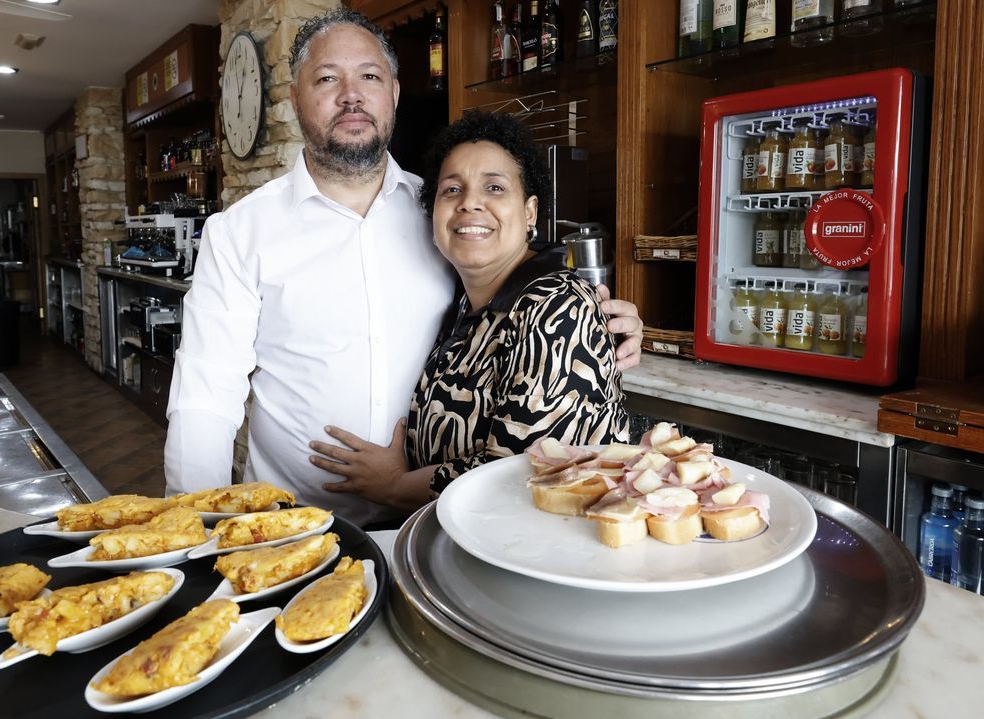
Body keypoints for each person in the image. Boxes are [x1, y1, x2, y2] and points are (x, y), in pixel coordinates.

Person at [164, 9, 643, 527]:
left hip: (435, 522)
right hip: (293, 528)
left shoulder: (440, 212)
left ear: (393, 93)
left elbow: (517, 291)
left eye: (369, 76)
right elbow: (205, 397)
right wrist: (192, 528)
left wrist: (600, 318)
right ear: (295, 97)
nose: (352, 95)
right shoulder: (240, 232)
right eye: (327, 79)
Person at [306, 111, 630, 511]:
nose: (470, 203)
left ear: (529, 211)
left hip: (539, 543)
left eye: (494, 187)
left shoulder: (559, 307)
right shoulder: (466, 303)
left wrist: (394, 486)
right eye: (452, 190)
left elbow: (523, 473)